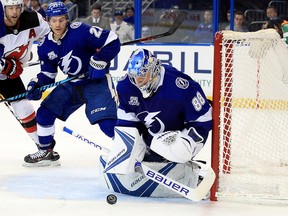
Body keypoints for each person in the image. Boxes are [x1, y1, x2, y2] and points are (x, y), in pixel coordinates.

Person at [99, 48, 212, 197]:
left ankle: (187, 170)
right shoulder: (125, 86)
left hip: (182, 133)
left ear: (154, 71)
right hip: (152, 137)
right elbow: (127, 120)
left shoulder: (181, 86)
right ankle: (153, 154)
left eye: (142, 76)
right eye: (134, 76)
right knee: (125, 147)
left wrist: (187, 140)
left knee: (179, 150)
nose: (138, 81)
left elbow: (203, 118)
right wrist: (130, 145)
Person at [23, 1, 120, 166]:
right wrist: (37, 83)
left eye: (61, 20)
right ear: (48, 21)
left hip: (96, 82)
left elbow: (112, 40)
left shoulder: (80, 31)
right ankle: (47, 151)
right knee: (45, 113)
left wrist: (98, 60)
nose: (58, 24)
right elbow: (48, 73)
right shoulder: (45, 46)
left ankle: (134, 149)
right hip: (73, 83)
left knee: (107, 122)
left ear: (67, 19)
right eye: (53, 20)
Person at [0, 0, 51, 162]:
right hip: (8, 72)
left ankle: (44, 148)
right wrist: (6, 66)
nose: (14, 12)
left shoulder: (33, 19)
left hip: (8, 77)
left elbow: (52, 35)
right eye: (10, 8)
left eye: (17, 7)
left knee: (23, 106)